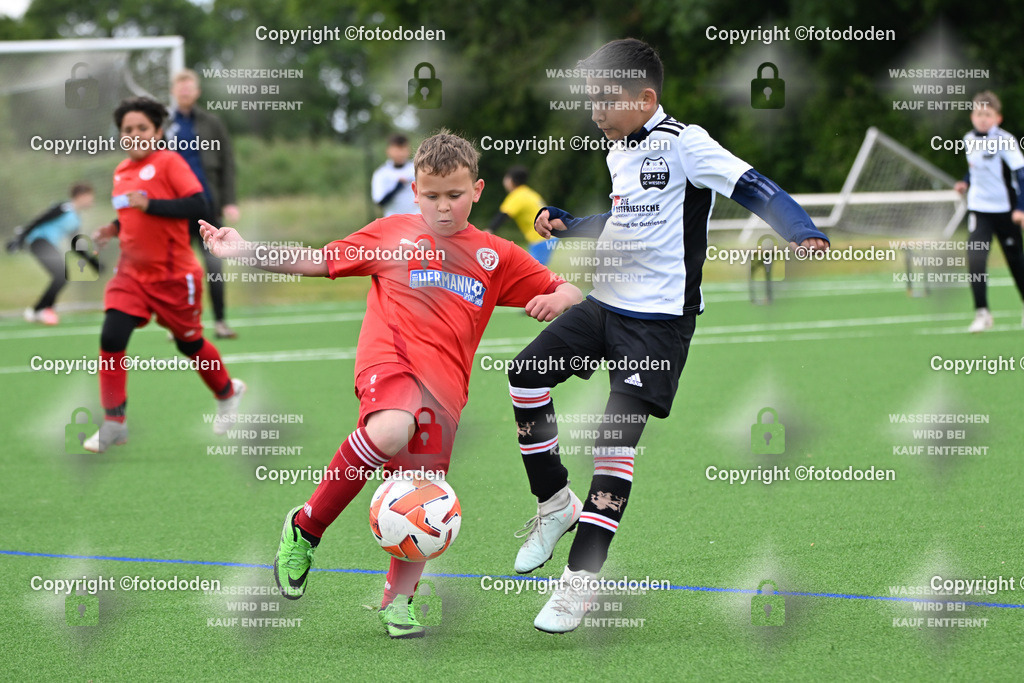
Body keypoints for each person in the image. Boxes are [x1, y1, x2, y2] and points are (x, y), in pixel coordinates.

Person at [199, 130, 582, 639]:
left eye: (454, 195)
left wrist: (560, 298)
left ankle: (398, 602)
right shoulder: (391, 233)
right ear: (415, 191)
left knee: (422, 495)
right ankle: (305, 529)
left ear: (477, 190)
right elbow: (317, 260)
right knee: (391, 429)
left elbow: (567, 288)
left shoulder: (496, 255)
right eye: (431, 195)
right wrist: (245, 249)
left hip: (446, 391)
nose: (442, 207)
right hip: (390, 362)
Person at [506, 39, 830, 633]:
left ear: (644, 97)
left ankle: (579, 582)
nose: (595, 112)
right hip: (605, 305)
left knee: (613, 445)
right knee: (525, 376)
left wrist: (801, 231)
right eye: (590, 100)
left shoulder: (686, 142)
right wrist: (571, 225)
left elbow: (752, 185)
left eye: (605, 101)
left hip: (656, 327)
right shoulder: (619, 150)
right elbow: (626, 219)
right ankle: (554, 503)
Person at [84, 96, 245, 453]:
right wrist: (112, 228)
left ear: (157, 132)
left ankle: (227, 392)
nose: (134, 134)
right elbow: (130, 214)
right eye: (127, 129)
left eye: (142, 127)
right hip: (131, 274)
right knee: (111, 336)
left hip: (174, 277)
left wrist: (150, 204)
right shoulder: (121, 171)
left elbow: (199, 204)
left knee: (189, 344)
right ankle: (114, 423)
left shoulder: (169, 162)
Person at [166, 69, 240, 339]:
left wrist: (229, 201)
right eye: (180, 87)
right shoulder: (163, 124)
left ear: (197, 92)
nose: (185, 92)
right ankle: (178, 324)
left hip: (207, 205)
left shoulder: (212, 123)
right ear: (173, 91)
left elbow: (227, 163)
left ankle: (220, 322)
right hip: (176, 208)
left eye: (189, 88)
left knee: (214, 265)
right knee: (177, 269)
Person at [952, 90, 1024, 332]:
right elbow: (975, 167)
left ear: (998, 118)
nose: (983, 119)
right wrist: (965, 182)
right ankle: (982, 312)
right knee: (975, 258)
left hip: (1006, 210)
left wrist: (1021, 208)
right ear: (972, 116)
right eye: (979, 114)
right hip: (979, 209)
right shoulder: (968, 139)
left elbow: (1021, 173)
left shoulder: (1005, 140)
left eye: (988, 114)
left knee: (1016, 260)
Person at [5, 182, 96, 325]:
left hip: (47, 244)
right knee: (61, 275)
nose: (91, 201)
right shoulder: (64, 208)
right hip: (39, 241)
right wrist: (19, 239)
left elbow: (76, 245)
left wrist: (91, 262)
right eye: (90, 197)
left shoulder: (76, 219)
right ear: (80, 196)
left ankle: (40, 310)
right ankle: (39, 310)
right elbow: (39, 220)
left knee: (62, 276)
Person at [488, 165, 557, 265]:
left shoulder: (517, 196)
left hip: (541, 238)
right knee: (532, 268)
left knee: (532, 270)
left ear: (510, 180)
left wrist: (489, 231)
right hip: (548, 235)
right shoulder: (529, 193)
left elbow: (503, 216)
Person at [371, 134, 418, 216]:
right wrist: (398, 186)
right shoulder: (381, 174)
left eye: (403, 149)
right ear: (388, 151)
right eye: (397, 150)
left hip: (417, 218)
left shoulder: (417, 169)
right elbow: (380, 202)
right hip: (393, 219)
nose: (400, 154)